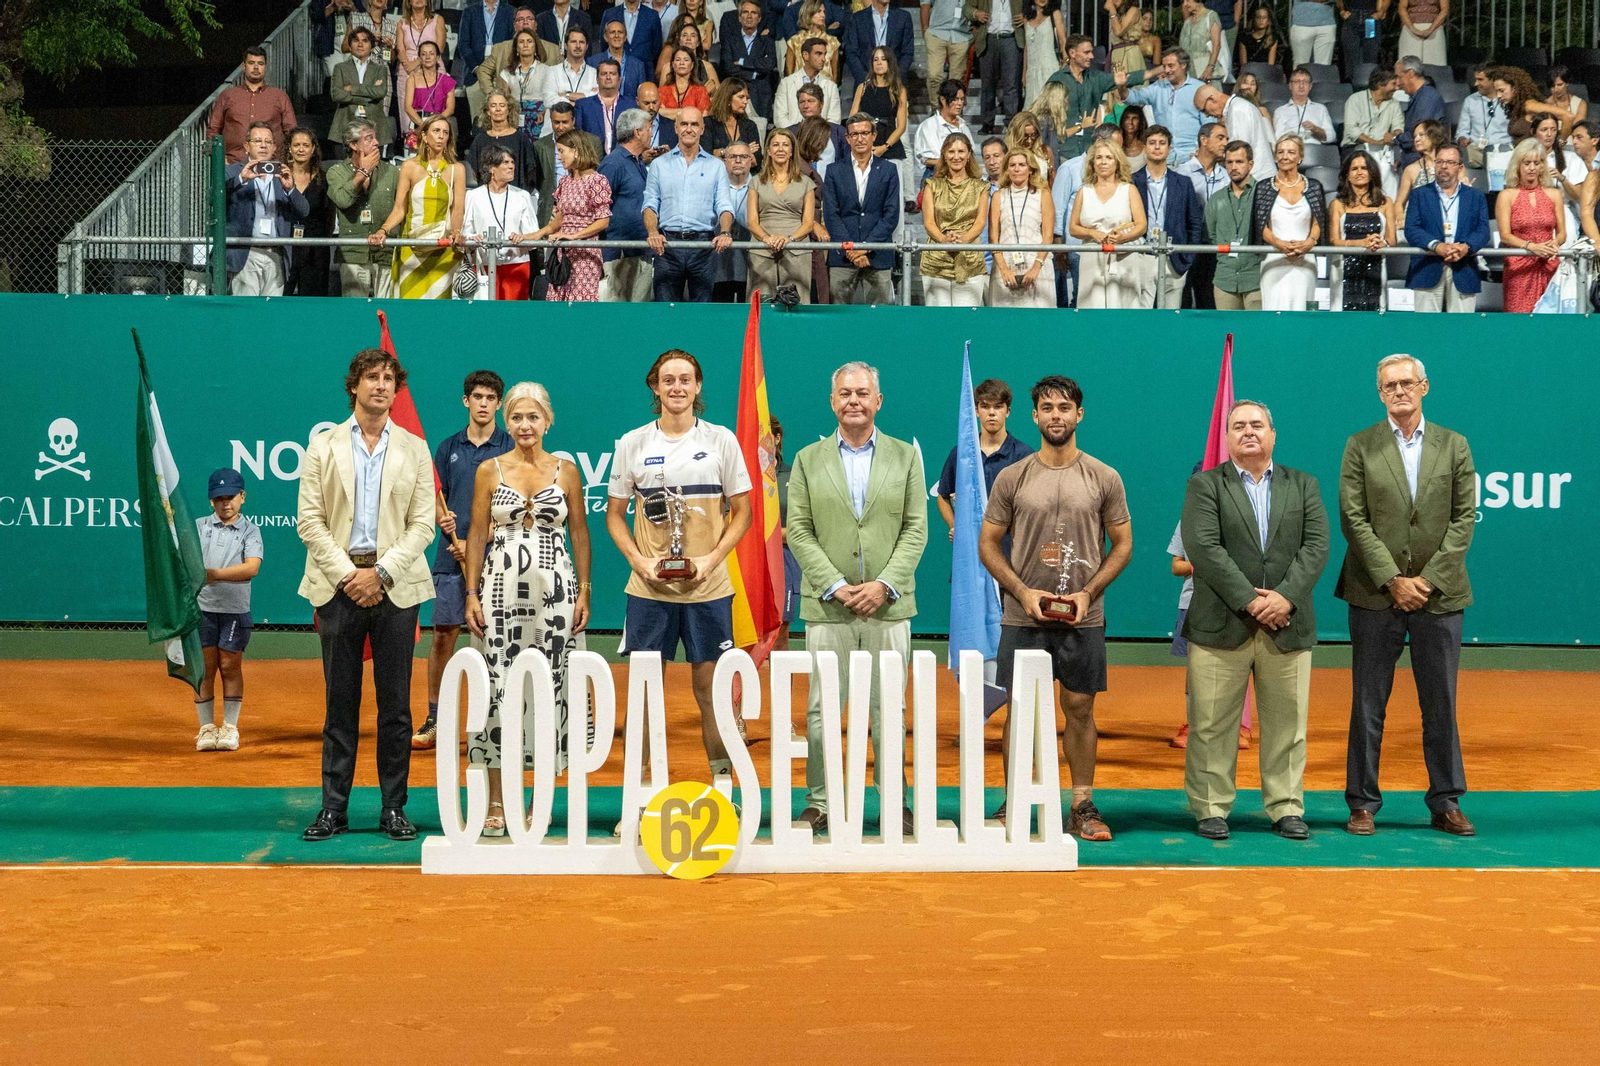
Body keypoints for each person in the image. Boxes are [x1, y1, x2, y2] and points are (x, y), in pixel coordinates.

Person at [979, 375, 1132, 839]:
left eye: (1064, 407)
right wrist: (1023, 593)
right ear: (1034, 416)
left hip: (1084, 616)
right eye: (1047, 408)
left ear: (1078, 415)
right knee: (1018, 708)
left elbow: (1123, 544)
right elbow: (987, 544)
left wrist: (1090, 594)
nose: (1056, 416)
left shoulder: (1104, 477)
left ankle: (1082, 805)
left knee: (1081, 707)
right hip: (1023, 615)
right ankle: (1015, 799)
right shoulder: (1013, 477)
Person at [298, 349, 437, 843]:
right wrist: (349, 576)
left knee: (396, 706)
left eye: (388, 379)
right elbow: (310, 521)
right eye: (371, 378)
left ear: (396, 390)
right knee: (341, 703)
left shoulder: (416, 449)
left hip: (396, 588)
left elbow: (423, 526)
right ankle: (333, 809)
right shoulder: (322, 446)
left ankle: (393, 808)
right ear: (353, 386)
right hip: (337, 588)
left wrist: (380, 572)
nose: (381, 385)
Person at [787, 361, 927, 837]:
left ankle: (895, 802)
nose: (854, 400)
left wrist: (884, 585)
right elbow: (798, 531)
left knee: (890, 709)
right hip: (828, 607)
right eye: (845, 393)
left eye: (863, 393)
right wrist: (835, 585)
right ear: (832, 402)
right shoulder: (807, 460)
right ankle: (821, 803)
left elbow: (915, 530)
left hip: (890, 607)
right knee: (823, 710)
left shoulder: (906, 458)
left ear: (878, 401)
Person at [1337, 354, 1475, 837]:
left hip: (1440, 598)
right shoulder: (1360, 446)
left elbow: (1463, 520)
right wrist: (1393, 579)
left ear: (1424, 386)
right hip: (1375, 595)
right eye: (1389, 385)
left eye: (1406, 383)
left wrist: (1428, 581)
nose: (1399, 391)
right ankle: (1362, 803)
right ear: (1380, 393)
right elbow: (1353, 519)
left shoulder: (1454, 445)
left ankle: (1446, 800)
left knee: (1441, 703)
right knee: (1368, 703)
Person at [1180, 399, 1329, 842]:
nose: (1249, 432)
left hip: (1288, 625)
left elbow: (1317, 547)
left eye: (1257, 425)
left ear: (1273, 434)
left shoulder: (1304, 485)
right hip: (1219, 625)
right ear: (1227, 438)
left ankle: (1286, 807)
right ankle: (1210, 807)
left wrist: (1285, 598)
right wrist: (1251, 600)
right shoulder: (1204, 486)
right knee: (1210, 724)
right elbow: (1204, 548)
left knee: (1288, 723)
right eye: (1239, 425)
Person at [606, 351, 753, 787]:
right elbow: (614, 514)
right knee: (645, 694)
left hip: (709, 590)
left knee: (711, 693)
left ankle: (723, 787)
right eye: (667, 380)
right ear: (655, 386)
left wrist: (712, 559)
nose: (676, 387)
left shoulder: (721, 439)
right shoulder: (633, 443)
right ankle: (643, 792)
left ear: (698, 386)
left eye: (685, 380)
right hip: (650, 592)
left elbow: (742, 511)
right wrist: (640, 561)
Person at [462, 382, 591, 836]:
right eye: (516, 417)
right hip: (499, 596)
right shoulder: (488, 470)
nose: (524, 425)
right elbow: (476, 534)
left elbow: (579, 535)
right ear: (507, 421)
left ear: (548, 421)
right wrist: (472, 593)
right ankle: (497, 801)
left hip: (556, 596)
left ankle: (541, 800)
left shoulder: (568, 471)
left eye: (533, 417)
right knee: (498, 690)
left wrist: (584, 591)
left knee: (553, 690)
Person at [414, 372, 513, 751]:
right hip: (450, 556)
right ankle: (436, 718)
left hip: (498, 556)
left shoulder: (509, 448)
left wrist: (478, 541)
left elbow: (513, 504)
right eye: (477, 396)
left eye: (491, 397)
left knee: (497, 639)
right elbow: (437, 500)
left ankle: (494, 719)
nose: (484, 403)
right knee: (443, 637)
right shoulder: (447, 447)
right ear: (465, 401)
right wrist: (446, 525)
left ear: (499, 404)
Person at [193, 468, 263, 754]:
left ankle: (230, 728)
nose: (226, 503)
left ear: (242, 497)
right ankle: (207, 728)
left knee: (229, 667)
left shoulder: (250, 530)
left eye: (231, 497)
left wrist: (215, 574)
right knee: (205, 669)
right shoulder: (196, 527)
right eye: (219, 498)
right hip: (201, 609)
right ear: (211, 501)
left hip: (235, 610)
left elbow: (252, 567)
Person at [644, 107, 737, 300]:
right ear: (676, 128)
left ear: (702, 129)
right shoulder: (659, 165)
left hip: (704, 247)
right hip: (667, 246)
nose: (689, 129)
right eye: (684, 124)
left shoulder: (717, 166)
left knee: (701, 313)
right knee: (666, 312)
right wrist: (653, 232)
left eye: (694, 124)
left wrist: (726, 232)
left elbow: (725, 205)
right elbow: (650, 204)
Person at [371, 115, 466, 299]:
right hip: (412, 247)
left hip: (442, 247)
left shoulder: (457, 169)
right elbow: (400, 208)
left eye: (445, 133)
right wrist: (384, 229)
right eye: (436, 131)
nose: (441, 136)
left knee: (439, 309)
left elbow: (457, 209)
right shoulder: (409, 167)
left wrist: (456, 231)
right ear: (424, 135)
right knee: (409, 306)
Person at [935, 378, 1033, 544]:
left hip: (1009, 553)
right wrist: (956, 527)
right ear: (976, 411)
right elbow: (942, 496)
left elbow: (1032, 507)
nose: (992, 413)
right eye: (985, 406)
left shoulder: (1024, 455)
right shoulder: (961, 453)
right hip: (970, 552)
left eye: (998, 406)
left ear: (1008, 411)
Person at [823, 113, 902, 303]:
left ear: (874, 135)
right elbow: (831, 215)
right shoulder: (834, 170)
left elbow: (891, 215)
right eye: (854, 134)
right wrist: (851, 250)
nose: (860, 138)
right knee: (839, 317)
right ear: (847, 138)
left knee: (879, 318)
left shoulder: (889, 170)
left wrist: (865, 248)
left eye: (865, 133)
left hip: (878, 254)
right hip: (843, 255)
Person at [526, 129, 613, 301]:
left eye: (561, 151)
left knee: (580, 305)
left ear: (577, 150)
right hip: (563, 253)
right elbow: (559, 220)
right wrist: (538, 234)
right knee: (558, 301)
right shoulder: (565, 182)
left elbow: (603, 221)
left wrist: (574, 236)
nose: (559, 157)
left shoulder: (597, 181)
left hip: (585, 255)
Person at [225, 124, 310, 297]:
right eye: (257, 141)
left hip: (276, 254)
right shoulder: (233, 171)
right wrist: (240, 179)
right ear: (247, 146)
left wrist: (290, 189)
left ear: (274, 147)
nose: (263, 145)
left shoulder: (282, 174)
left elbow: (304, 210)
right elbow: (212, 197)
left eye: (268, 142)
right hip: (246, 253)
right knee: (247, 312)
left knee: (271, 314)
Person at [1402, 143, 1488, 312]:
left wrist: (1466, 247)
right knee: (1426, 330)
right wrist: (1436, 245)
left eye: (1450, 162)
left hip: (1463, 268)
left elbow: (1483, 230)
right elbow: (1411, 229)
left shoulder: (1475, 196)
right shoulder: (1419, 194)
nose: (1444, 166)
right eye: (1440, 161)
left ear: (1460, 167)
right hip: (1427, 267)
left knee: (1462, 331)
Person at [1044, 34, 1148, 162]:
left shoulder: (1095, 78)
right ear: (1072, 53)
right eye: (1087, 52)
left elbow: (1128, 78)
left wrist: (1157, 71)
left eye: (1091, 52)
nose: (1092, 57)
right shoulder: (1057, 80)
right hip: (1064, 153)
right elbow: (1045, 119)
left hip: (1089, 153)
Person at [1070, 138, 1147, 308]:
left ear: (1117, 162)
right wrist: (1092, 233)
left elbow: (1141, 225)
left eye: (1108, 157)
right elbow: (1073, 227)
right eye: (1099, 157)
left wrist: (1122, 238)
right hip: (1091, 256)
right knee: (1092, 307)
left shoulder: (1129, 189)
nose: (1103, 162)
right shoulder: (1084, 191)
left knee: (1123, 308)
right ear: (1092, 162)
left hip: (1123, 256)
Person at [1133, 124, 1204, 308]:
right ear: (1144, 147)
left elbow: (1194, 223)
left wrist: (1187, 257)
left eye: (1162, 143)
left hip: (1174, 258)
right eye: (1152, 143)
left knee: (1172, 316)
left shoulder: (1183, 183)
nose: (1157, 147)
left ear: (1169, 148)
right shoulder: (1131, 181)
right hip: (1142, 255)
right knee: (1140, 315)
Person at [1252, 134, 1325, 311]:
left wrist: (1309, 243)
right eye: (1281, 152)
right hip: (1274, 259)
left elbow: (1318, 222)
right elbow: (1260, 224)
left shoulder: (1314, 186)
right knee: (1273, 312)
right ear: (1275, 156)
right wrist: (1280, 244)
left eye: (1291, 152)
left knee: (1302, 314)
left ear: (1300, 157)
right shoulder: (1263, 187)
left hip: (1305, 259)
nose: (1285, 156)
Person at [328, 121, 401, 298]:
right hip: (353, 254)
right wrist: (363, 172)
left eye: (375, 138)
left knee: (386, 311)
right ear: (353, 145)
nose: (376, 142)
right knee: (355, 313)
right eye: (369, 139)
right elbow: (343, 201)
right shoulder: (336, 172)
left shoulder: (391, 172)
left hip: (385, 252)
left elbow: (401, 207)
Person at [920, 133, 991, 305]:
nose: (956, 156)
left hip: (970, 259)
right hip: (936, 258)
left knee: (966, 321)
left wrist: (963, 240)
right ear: (944, 154)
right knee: (938, 320)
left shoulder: (981, 187)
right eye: (951, 151)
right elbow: (929, 222)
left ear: (969, 155)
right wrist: (944, 239)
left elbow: (980, 222)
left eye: (961, 151)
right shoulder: (932, 185)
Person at [748, 127, 818, 301]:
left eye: (785, 145)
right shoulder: (756, 182)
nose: (780, 149)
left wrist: (789, 239)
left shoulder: (806, 183)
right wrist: (767, 239)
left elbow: (808, 223)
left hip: (796, 249)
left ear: (792, 151)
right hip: (762, 248)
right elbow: (752, 221)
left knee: (797, 303)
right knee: (760, 304)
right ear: (769, 151)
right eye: (776, 145)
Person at [1497, 137, 1566, 314]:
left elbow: (1562, 233)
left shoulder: (1554, 194)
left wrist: (1554, 243)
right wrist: (1532, 247)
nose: (1532, 168)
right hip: (1519, 266)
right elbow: (1505, 235)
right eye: (1527, 163)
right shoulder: (1507, 195)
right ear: (1518, 165)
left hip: (1548, 263)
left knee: (1550, 322)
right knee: (1518, 322)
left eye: (1537, 163)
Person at [460, 147, 540, 298]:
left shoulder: (522, 196)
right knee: (485, 315)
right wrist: (472, 238)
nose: (511, 166)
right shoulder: (473, 196)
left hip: (516, 264)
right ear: (491, 168)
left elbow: (534, 236)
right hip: (483, 264)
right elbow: (466, 232)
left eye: (512, 162)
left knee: (512, 316)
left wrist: (523, 237)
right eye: (505, 162)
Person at [598, 108, 657, 300]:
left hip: (640, 251)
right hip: (619, 253)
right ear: (637, 132)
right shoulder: (613, 164)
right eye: (649, 128)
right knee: (617, 313)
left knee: (639, 314)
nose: (652, 132)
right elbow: (599, 208)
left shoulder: (638, 162)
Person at [988, 148, 1056, 307]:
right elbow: (993, 237)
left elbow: (1048, 236)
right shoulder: (999, 196)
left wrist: (1036, 268)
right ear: (1006, 169)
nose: (1017, 169)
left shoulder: (1043, 194)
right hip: (1005, 266)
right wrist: (1003, 269)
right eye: (1012, 165)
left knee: (1038, 322)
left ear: (1031, 169)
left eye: (1021, 165)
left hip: (1037, 265)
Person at [208, 46, 298, 163]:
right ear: (244, 66)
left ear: (265, 66)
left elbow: (291, 131)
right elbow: (213, 130)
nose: (256, 67)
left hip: (271, 164)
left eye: (260, 63)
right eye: (251, 63)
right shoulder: (228, 95)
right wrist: (219, 159)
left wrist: (286, 159)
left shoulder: (279, 96)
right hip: (233, 163)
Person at [1328, 150, 1393, 311]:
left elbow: (1392, 239)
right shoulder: (1337, 204)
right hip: (1344, 271)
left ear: (1372, 173)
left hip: (1376, 269)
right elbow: (1334, 241)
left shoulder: (1386, 203)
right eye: (1354, 169)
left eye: (1364, 168)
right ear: (1347, 175)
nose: (1359, 172)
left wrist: (1381, 242)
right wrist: (1361, 244)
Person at [1205, 139, 1262, 308]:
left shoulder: (1263, 194)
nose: (1234, 167)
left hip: (1256, 277)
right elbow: (1212, 235)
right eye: (1229, 162)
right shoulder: (1216, 198)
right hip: (1225, 278)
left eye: (1239, 162)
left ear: (1250, 164)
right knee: (1228, 333)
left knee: (1255, 332)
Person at [1177, 119, 1228, 307]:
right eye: (1220, 138)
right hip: (1188, 247)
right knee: (1183, 299)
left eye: (1226, 138)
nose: (1225, 143)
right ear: (1204, 140)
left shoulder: (1226, 176)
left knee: (1209, 301)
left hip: (1215, 248)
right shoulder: (1181, 174)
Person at [1126, 47, 1206, 164]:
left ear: (1183, 65)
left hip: (1192, 157)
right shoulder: (1158, 88)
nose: (1167, 70)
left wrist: (1203, 151)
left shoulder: (1199, 88)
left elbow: (1208, 127)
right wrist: (1122, 86)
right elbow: (1132, 98)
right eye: (1164, 67)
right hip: (1165, 158)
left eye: (1171, 66)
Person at [282, 128, 333, 297]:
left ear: (313, 149)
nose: (301, 149)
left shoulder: (323, 179)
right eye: (296, 145)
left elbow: (329, 217)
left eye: (305, 145)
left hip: (315, 249)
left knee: (313, 301)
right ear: (289, 147)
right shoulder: (279, 176)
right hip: (286, 246)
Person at [330, 28, 394, 153]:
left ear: (371, 46)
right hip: (345, 124)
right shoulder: (340, 68)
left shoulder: (380, 69)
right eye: (356, 40)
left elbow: (381, 92)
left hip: (375, 126)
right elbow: (336, 95)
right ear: (350, 45)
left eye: (365, 41)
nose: (360, 44)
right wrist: (369, 95)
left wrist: (352, 89)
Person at [966, 0, 1023, 137]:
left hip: (1011, 38)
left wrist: (1026, 16)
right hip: (989, 38)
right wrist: (975, 13)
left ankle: (1011, 123)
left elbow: (1032, 6)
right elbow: (966, 8)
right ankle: (987, 123)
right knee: (988, 84)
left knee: (1011, 84)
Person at [466, 90, 543, 191]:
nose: (498, 109)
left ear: (508, 110)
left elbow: (530, 171)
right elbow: (474, 171)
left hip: (515, 196)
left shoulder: (520, 139)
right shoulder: (480, 139)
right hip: (487, 197)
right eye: (493, 105)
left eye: (502, 105)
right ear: (488, 111)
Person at [1196, 82, 1275, 180]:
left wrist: (1209, 155)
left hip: (1258, 178)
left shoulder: (1237, 109)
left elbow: (1238, 151)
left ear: (1212, 100)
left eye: (1204, 110)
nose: (1206, 115)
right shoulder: (1237, 106)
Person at [397, 0, 450, 141]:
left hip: (432, 65)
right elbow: (400, 49)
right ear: (408, 2)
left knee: (436, 107)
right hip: (407, 70)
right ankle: (410, 146)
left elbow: (440, 47)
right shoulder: (402, 23)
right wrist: (407, 64)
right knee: (407, 113)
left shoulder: (437, 20)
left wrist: (418, 61)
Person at [715, 1, 778, 118]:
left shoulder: (767, 42)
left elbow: (769, 64)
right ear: (739, 17)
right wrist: (754, 73)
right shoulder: (730, 40)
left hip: (760, 95)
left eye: (753, 13)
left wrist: (742, 62)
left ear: (759, 19)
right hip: (735, 92)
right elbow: (728, 67)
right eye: (745, 12)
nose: (749, 16)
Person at [1341, 69, 1403, 185]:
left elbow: (1398, 127)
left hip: (1384, 150)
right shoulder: (1355, 99)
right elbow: (1352, 131)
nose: (1396, 88)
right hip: (1355, 147)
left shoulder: (1394, 103)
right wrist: (1375, 143)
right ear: (1380, 85)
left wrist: (1393, 135)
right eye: (1393, 84)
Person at [850, 48, 908, 169]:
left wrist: (885, 147)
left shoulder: (899, 90)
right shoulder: (863, 87)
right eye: (875, 60)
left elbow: (901, 126)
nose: (879, 63)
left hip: (891, 146)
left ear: (889, 62)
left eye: (883, 59)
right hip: (866, 145)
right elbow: (852, 119)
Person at [712, 140, 755, 300]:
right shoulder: (713, 187)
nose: (738, 161)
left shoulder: (761, 186)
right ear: (724, 161)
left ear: (751, 160)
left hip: (751, 263)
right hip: (718, 264)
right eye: (732, 156)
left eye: (743, 156)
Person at [845, 0, 916, 90]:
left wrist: (896, 77)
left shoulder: (903, 17)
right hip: (866, 84)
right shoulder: (857, 19)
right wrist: (864, 79)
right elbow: (851, 53)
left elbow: (907, 52)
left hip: (895, 84)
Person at [496, 30, 553, 140]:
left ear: (535, 46)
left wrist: (544, 111)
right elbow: (505, 98)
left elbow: (550, 97)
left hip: (539, 116)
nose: (526, 45)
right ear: (516, 48)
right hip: (515, 116)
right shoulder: (507, 73)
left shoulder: (547, 71)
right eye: (521, 42)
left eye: (529, 41)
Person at [776, 35, 843, 128]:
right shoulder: (786, 83)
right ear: (806, 55)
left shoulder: (831, 86)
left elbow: (834, 119)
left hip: (822, 138)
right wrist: (797, 134)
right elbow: (780, 117)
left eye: (824, 54)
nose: (823, 59)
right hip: (793, 138)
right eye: (818, 54)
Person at [402, 41, 458, 150]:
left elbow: (450, 108)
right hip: (418, 124)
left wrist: (434, 123)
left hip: (440, 125)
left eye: (431, 54)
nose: (427, 57)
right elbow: (408, 107)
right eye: (423, 54)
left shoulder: (447, 81)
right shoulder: (412, 79)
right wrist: (423, 125)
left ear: (437, 57)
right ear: (419, 58)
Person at [575, 58, 636, 155]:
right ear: (597, 79)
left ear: (620, 79)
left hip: (622, 163)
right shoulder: (583, 105)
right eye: (604, 74)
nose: (608, 77)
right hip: (592, 162)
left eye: (612, 73)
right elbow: (578, 137)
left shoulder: (631, 105)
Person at [1455, 63, 1509, 169]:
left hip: (1503, 151)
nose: (1476, 83)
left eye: (1480, 80)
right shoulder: (1470, 101)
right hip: (1476, 151)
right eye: (1476, 79)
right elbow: (1462, 132)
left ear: (1493, 80)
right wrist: (1462, 139)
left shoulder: (1508, 101)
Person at [1393, 57, 1444, 167]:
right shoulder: (1419, 96)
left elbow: (1418, 137)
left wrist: (1395, 139)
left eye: (1399, 77)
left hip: (1424, 163)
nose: (1397, 83)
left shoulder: (1428, 97)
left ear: (1411, 74)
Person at [922, 0, 973, 109]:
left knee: (956, 80)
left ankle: (952, 111)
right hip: (937, 32)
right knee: (934, 75)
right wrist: (925, 30)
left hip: (962, 35)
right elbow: (925, 3)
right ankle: (936, 109)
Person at [590, 18, 651, 103]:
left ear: (625, 37)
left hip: (630, 112)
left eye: (620, 32)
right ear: (605, 37)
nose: (617, 35)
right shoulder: (593, 62)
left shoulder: (637, 65)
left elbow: (641, 95)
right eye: (612, 32)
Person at [1020, 0, 1064, 110]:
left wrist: (1065, 62)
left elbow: (1062, 40)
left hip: (1049, 68)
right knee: (1032, 108)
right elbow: (1027, 47)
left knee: (1049, 106)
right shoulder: (1027, 17)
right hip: (1032, 72)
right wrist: (1024, 71)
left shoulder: (1055, 14)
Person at [1394, 118, 1444, 217]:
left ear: (1434, 136)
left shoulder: (1450, 165)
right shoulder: (1411, 169)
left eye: (1421, 135)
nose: (1416, 139)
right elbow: (1399, 203)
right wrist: (1400, 218)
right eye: (1415, 136)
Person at [1272, 67, 1334, 145]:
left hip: (1314, 152)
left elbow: (1331, 137)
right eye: (1297, 82)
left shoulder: (1321, 109)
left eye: (1305, 82)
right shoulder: (1280, 111)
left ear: (1310, 86)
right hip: (1291, 150)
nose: (1301, 86)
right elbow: (1278, 138)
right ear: (1290, 86)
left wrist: (1315, 129)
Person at [460, 0, 516, 84]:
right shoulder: (469, 11)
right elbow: (463, 43)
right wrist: (475, 68)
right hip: (474, 74)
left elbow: (513, 42)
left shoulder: (511, 11)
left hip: (503, 72)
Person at [705, 78, 762, 159]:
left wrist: (720, 153)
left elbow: (757, 160)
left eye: (747, 98)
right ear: (727, 98)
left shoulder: (750, 126)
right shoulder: (708, 123)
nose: (745, 102)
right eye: (741, 97)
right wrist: (745, 152)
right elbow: (707, 156)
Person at [787, 1, 845, 81]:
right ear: (808, 13)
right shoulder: (794, 41)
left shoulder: (832, 42)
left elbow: (834, 74)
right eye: (819, 12)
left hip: (825, 90)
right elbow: (789, 75)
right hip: (800, 90)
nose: (823, 15)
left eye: (824, 12)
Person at [658, 22, 722, 93]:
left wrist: (713, 92)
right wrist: (702, 92)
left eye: (693, 35)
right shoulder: (668, 68)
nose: (688, 38)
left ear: (698, 42)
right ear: (679, 41)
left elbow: (719, 98)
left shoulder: (707, 67)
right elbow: (661, 96)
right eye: (685, 35)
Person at [546, 27, 600, 108]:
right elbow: (548, 100)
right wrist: (582, 100)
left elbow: (598, 98)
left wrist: (566, 95)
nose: (578, 46)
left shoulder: (595, 73)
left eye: (581, 42)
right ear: (565, 45)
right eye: (573, 42)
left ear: (587, 46)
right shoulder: (552, 71)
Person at [603, 0, 667, 68]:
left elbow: (656, 47)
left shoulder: (652, 15)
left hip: (645, 70)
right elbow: (604, 44)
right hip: (615, 69)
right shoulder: (609, 14)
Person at [1180, 0, 1228, 86]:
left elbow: (1216, 45)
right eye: (1183, 1)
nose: (1185, 4)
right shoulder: (1187, 22)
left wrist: (1210, 67)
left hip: (1206, 73)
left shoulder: (1211, 16)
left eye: (1187, 1)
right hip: (1188, 72)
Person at [660, 47, 714, 120]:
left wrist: (669, 113)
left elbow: (701, 116)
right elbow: (659, 113)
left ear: (692, 65)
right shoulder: (663, 90)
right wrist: (690, 111)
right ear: (673, 64)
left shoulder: (700, 90)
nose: (682, 63)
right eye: (678, 60)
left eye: (686, 60)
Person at [636, 82, 681, 157]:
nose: (651, 107)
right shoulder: (628, 127)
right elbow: (621, 157)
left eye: (654, 102)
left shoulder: (672, 127)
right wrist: (640, 160)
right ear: (637, 101)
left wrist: (670, 155)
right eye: (647, 103)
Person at [1397, 0, 1446, 66]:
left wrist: (1431, 29)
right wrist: (1412, 28)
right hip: (1410, 28)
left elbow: (1445, 10)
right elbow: (1402, 8)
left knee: (1435, 62)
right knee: (1408, 64)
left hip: (1435, 29)